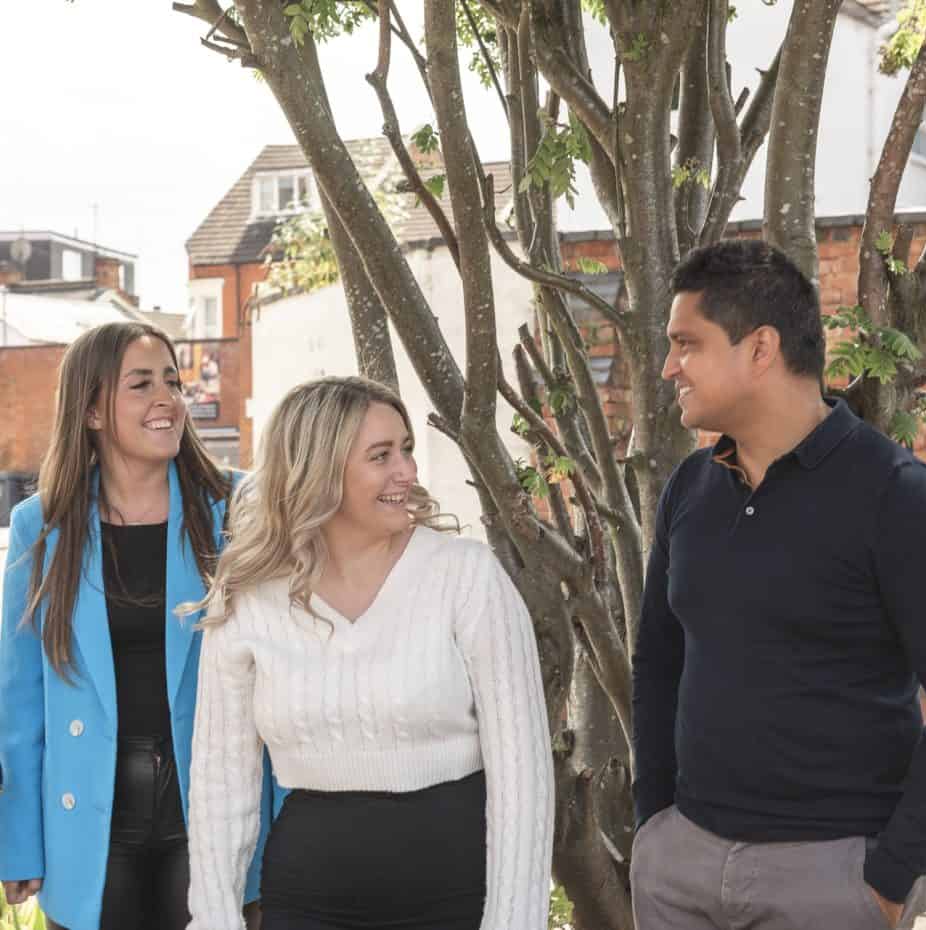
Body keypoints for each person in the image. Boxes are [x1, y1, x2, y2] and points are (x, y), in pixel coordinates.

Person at [630, 240, 926, 930]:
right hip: (680, 867)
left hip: (828, 882)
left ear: (760, 349)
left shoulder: (895, 496)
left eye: (687, 343)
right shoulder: (689, 488)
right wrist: (653, 823)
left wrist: (888, 879)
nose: (669, 367)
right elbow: (659, 661)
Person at [183, 376, 554, 930]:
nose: (406, 470)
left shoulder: (466, 575)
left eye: (405, 449)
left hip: (456, 897)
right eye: (381, 456)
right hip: (307, 899)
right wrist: (215, 919)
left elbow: (523, 773)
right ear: (319, 470)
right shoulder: (251, 596)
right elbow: (220, 783)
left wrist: (513, 922)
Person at [0, 321, 271, 930]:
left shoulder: (237, 508)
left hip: (214, 804)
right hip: (88, 814)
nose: (168, 399)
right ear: (92, 410)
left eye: (172, 382)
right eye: (142, 384)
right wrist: (18, 838)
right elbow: (18, 697)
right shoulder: (40, 526)